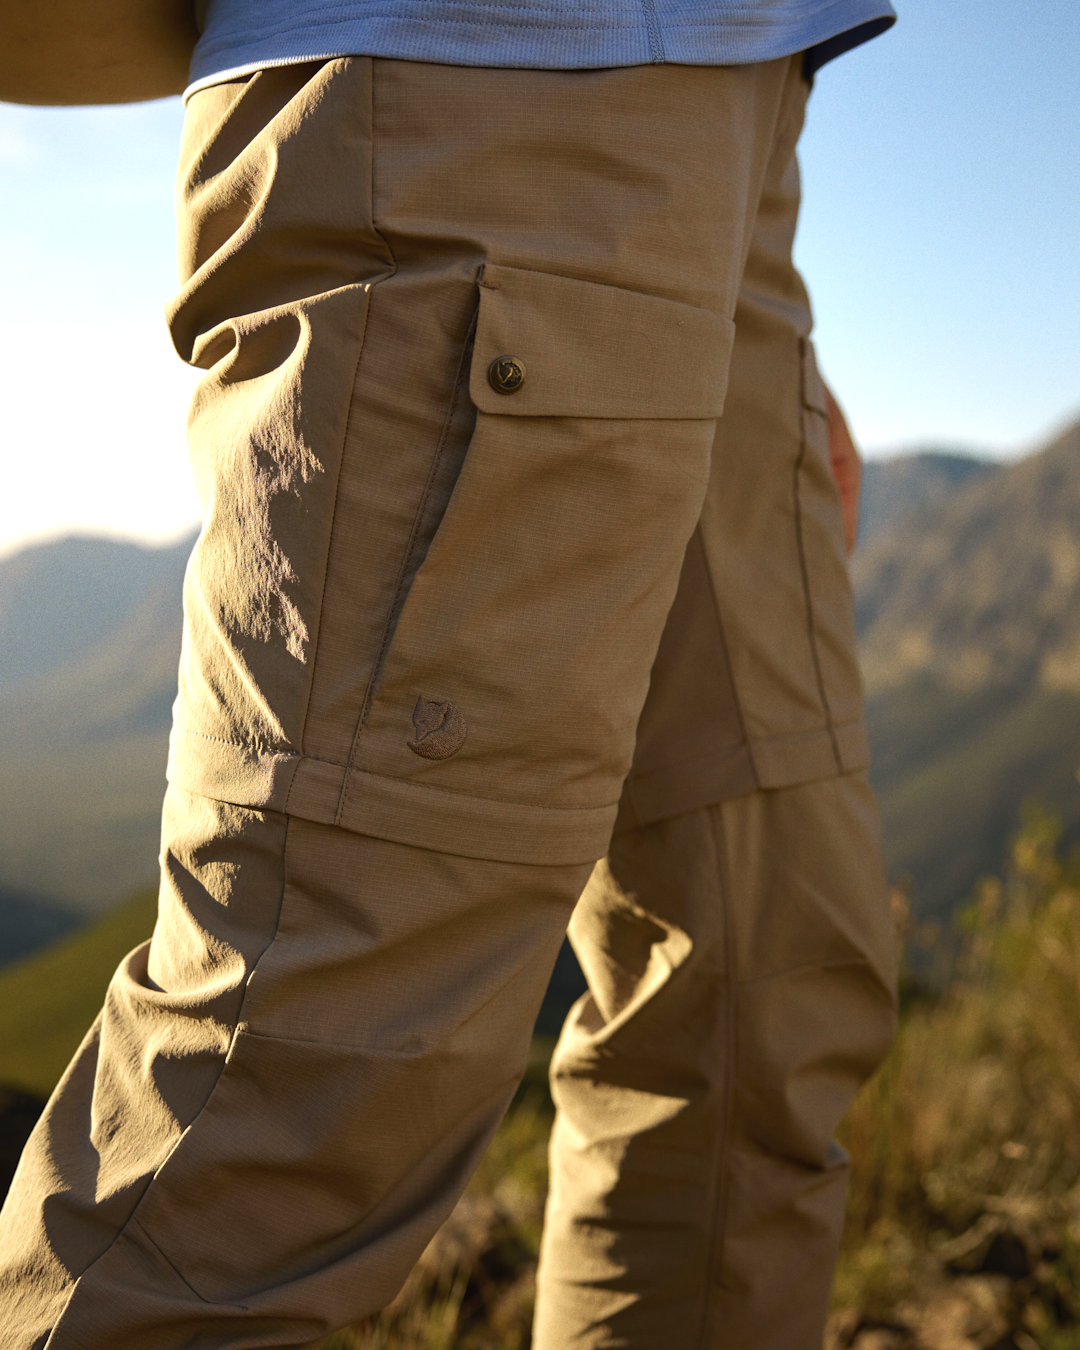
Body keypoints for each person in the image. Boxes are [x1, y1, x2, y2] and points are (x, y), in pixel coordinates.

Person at [0, 2, 899, 1345]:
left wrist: (738, 328)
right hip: (487, 84)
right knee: (286, 1101)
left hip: (733, 108)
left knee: (756, 993)